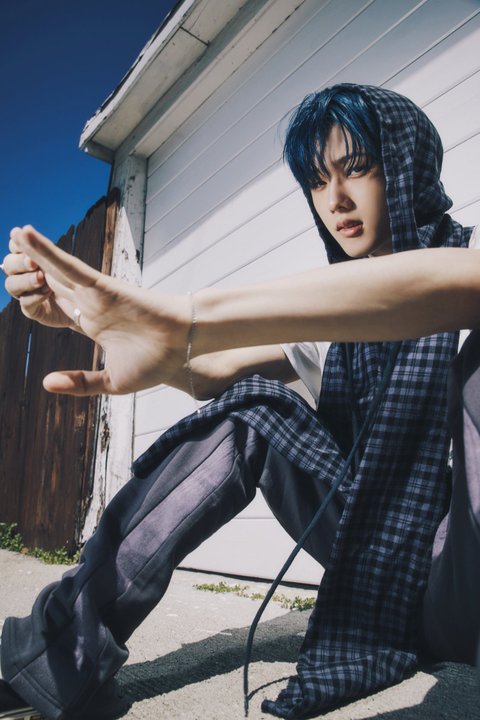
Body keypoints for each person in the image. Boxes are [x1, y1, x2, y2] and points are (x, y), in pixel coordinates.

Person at [0, 84, 478, 720]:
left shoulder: (468, 258)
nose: (335, 200)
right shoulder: (331, 326)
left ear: (407, 165)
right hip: (375, 565)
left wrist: (190, 316)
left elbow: (458, 285)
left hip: (462, 574)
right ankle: (58, 653)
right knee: (255, 406)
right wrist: (111, 333)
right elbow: (213, 376)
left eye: (357, 168)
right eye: (317, 181)